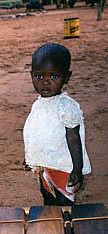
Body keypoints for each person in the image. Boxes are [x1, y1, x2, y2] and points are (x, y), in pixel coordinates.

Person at [23, 43, 91, 206]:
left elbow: (73, 138)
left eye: (53, 77)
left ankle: (67, 230)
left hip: (63, 166)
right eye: (39, 76)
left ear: (66, 77)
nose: (46, 82)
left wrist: (77, 168)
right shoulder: (38, 104)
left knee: (64, 203)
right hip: (46, 164)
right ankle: (53, 229)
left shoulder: (66, 106)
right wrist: (30, 157)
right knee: (48, 199)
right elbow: (35, 132)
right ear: (32, 75)